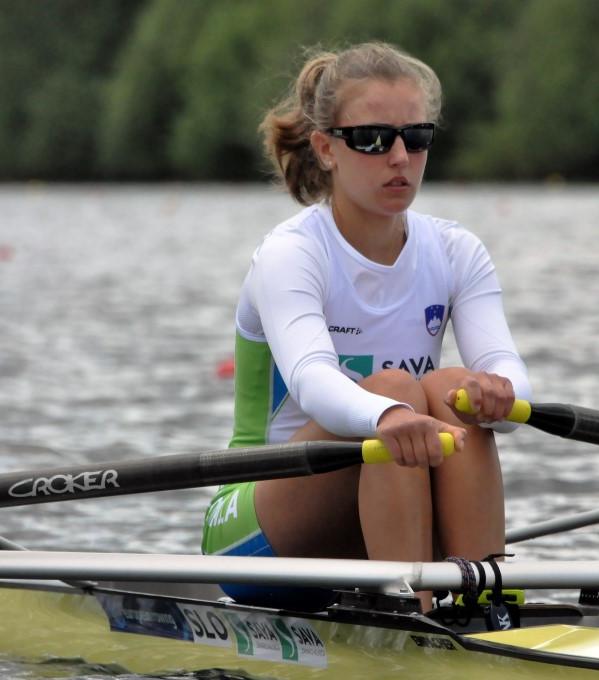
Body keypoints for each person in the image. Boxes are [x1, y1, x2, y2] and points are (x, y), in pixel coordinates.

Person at [201, 42, 532, 612]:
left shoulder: (457, 250)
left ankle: (484, 605)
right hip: (257, 534)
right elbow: (312, 380)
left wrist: (500, 395)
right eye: (374, 139)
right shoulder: (292, 254)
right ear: (326, 149)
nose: (400, 157)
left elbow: (508, 370)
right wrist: (388, 415)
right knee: (395, 390)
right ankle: (413, 613)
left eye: (417, 137)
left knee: (457, 390)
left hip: (382, 510)